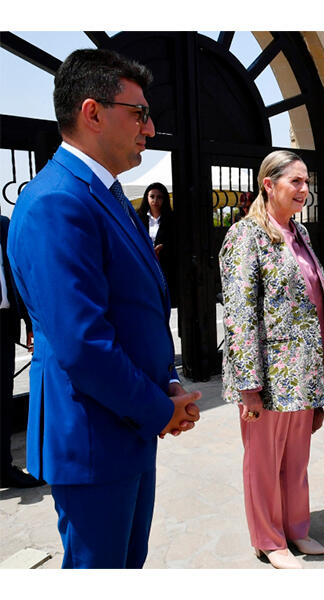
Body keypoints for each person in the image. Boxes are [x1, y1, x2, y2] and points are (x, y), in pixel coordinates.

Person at [7, 48, 200, 568]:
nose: (150, 127)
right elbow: (83, 344)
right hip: (93, 435)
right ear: (92, 113)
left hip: (126, 423)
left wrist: (167, 383)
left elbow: (136, 309)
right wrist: (159, 409)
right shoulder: (58, 202)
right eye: (139, 113)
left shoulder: (106, 193)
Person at [219, 150, 324, 569]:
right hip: (269, 375)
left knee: (296, 459)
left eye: (307, 183)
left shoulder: (299, 233)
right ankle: (269, 540)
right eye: (295, 182)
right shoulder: (245, 235)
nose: (304, 190)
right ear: (269, 184)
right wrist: (248, 386)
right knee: (264, 462)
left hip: (304, 372)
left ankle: (296, 528)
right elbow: (239, 314)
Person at [1, 214, 41, 488]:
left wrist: (29, 321)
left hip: (3, 325)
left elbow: (18, 275)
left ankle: (3, 468)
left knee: (3, 401)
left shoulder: (4, 226)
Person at [135, 181, 177, 305]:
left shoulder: (171, 219)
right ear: (146, 198)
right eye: (152, 196)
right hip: (145, 262)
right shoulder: (139, 218)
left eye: (159, 197)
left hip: (165, 264)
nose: (155, 200)